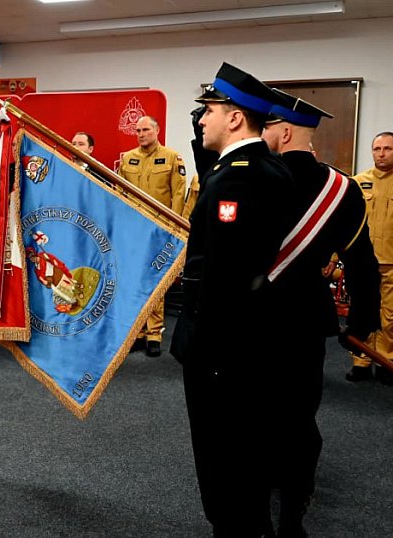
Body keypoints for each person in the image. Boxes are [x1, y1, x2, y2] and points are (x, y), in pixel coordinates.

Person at [169, 62, 296, 537]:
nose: (201, 120)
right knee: (242, 448)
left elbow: (224, 276)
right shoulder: (257, 167)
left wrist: (200, 346)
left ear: (235, 117)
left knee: (223, 450)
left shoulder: (238, 179)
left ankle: (236, 527)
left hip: (221, 347)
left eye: (209, 111)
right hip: (244, 341)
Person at [261, 89, 380, 536]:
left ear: (284, 131)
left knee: (255, 409)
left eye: (267, 127)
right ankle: (295, 508)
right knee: (299, 413)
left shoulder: (253, 178)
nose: (263, 134)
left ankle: (259, 495)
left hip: (253, 318)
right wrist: (362, 323)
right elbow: (362, 263)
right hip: (306, 319)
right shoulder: (344, 189)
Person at [118, 116, 187, 357]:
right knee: (134, 281)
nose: (140, 134)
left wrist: (173, 227)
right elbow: (120, 193)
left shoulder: (171, 157)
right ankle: (137, 333)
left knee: (155, 281)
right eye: (137, 130)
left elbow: (178, 194)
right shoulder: (127, 158)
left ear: (156, 130)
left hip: (159, 230)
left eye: (146, 129)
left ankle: (154, 333)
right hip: (134, 230)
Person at [346, 131, 393, 384]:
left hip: (391, 262)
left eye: (388, 148)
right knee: (362, 313)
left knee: (389, 316)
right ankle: (361, 361)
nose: (382, 153)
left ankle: (386, 361)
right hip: (362, 262)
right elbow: (343, 223)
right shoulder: (357, 182)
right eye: (377, 149)